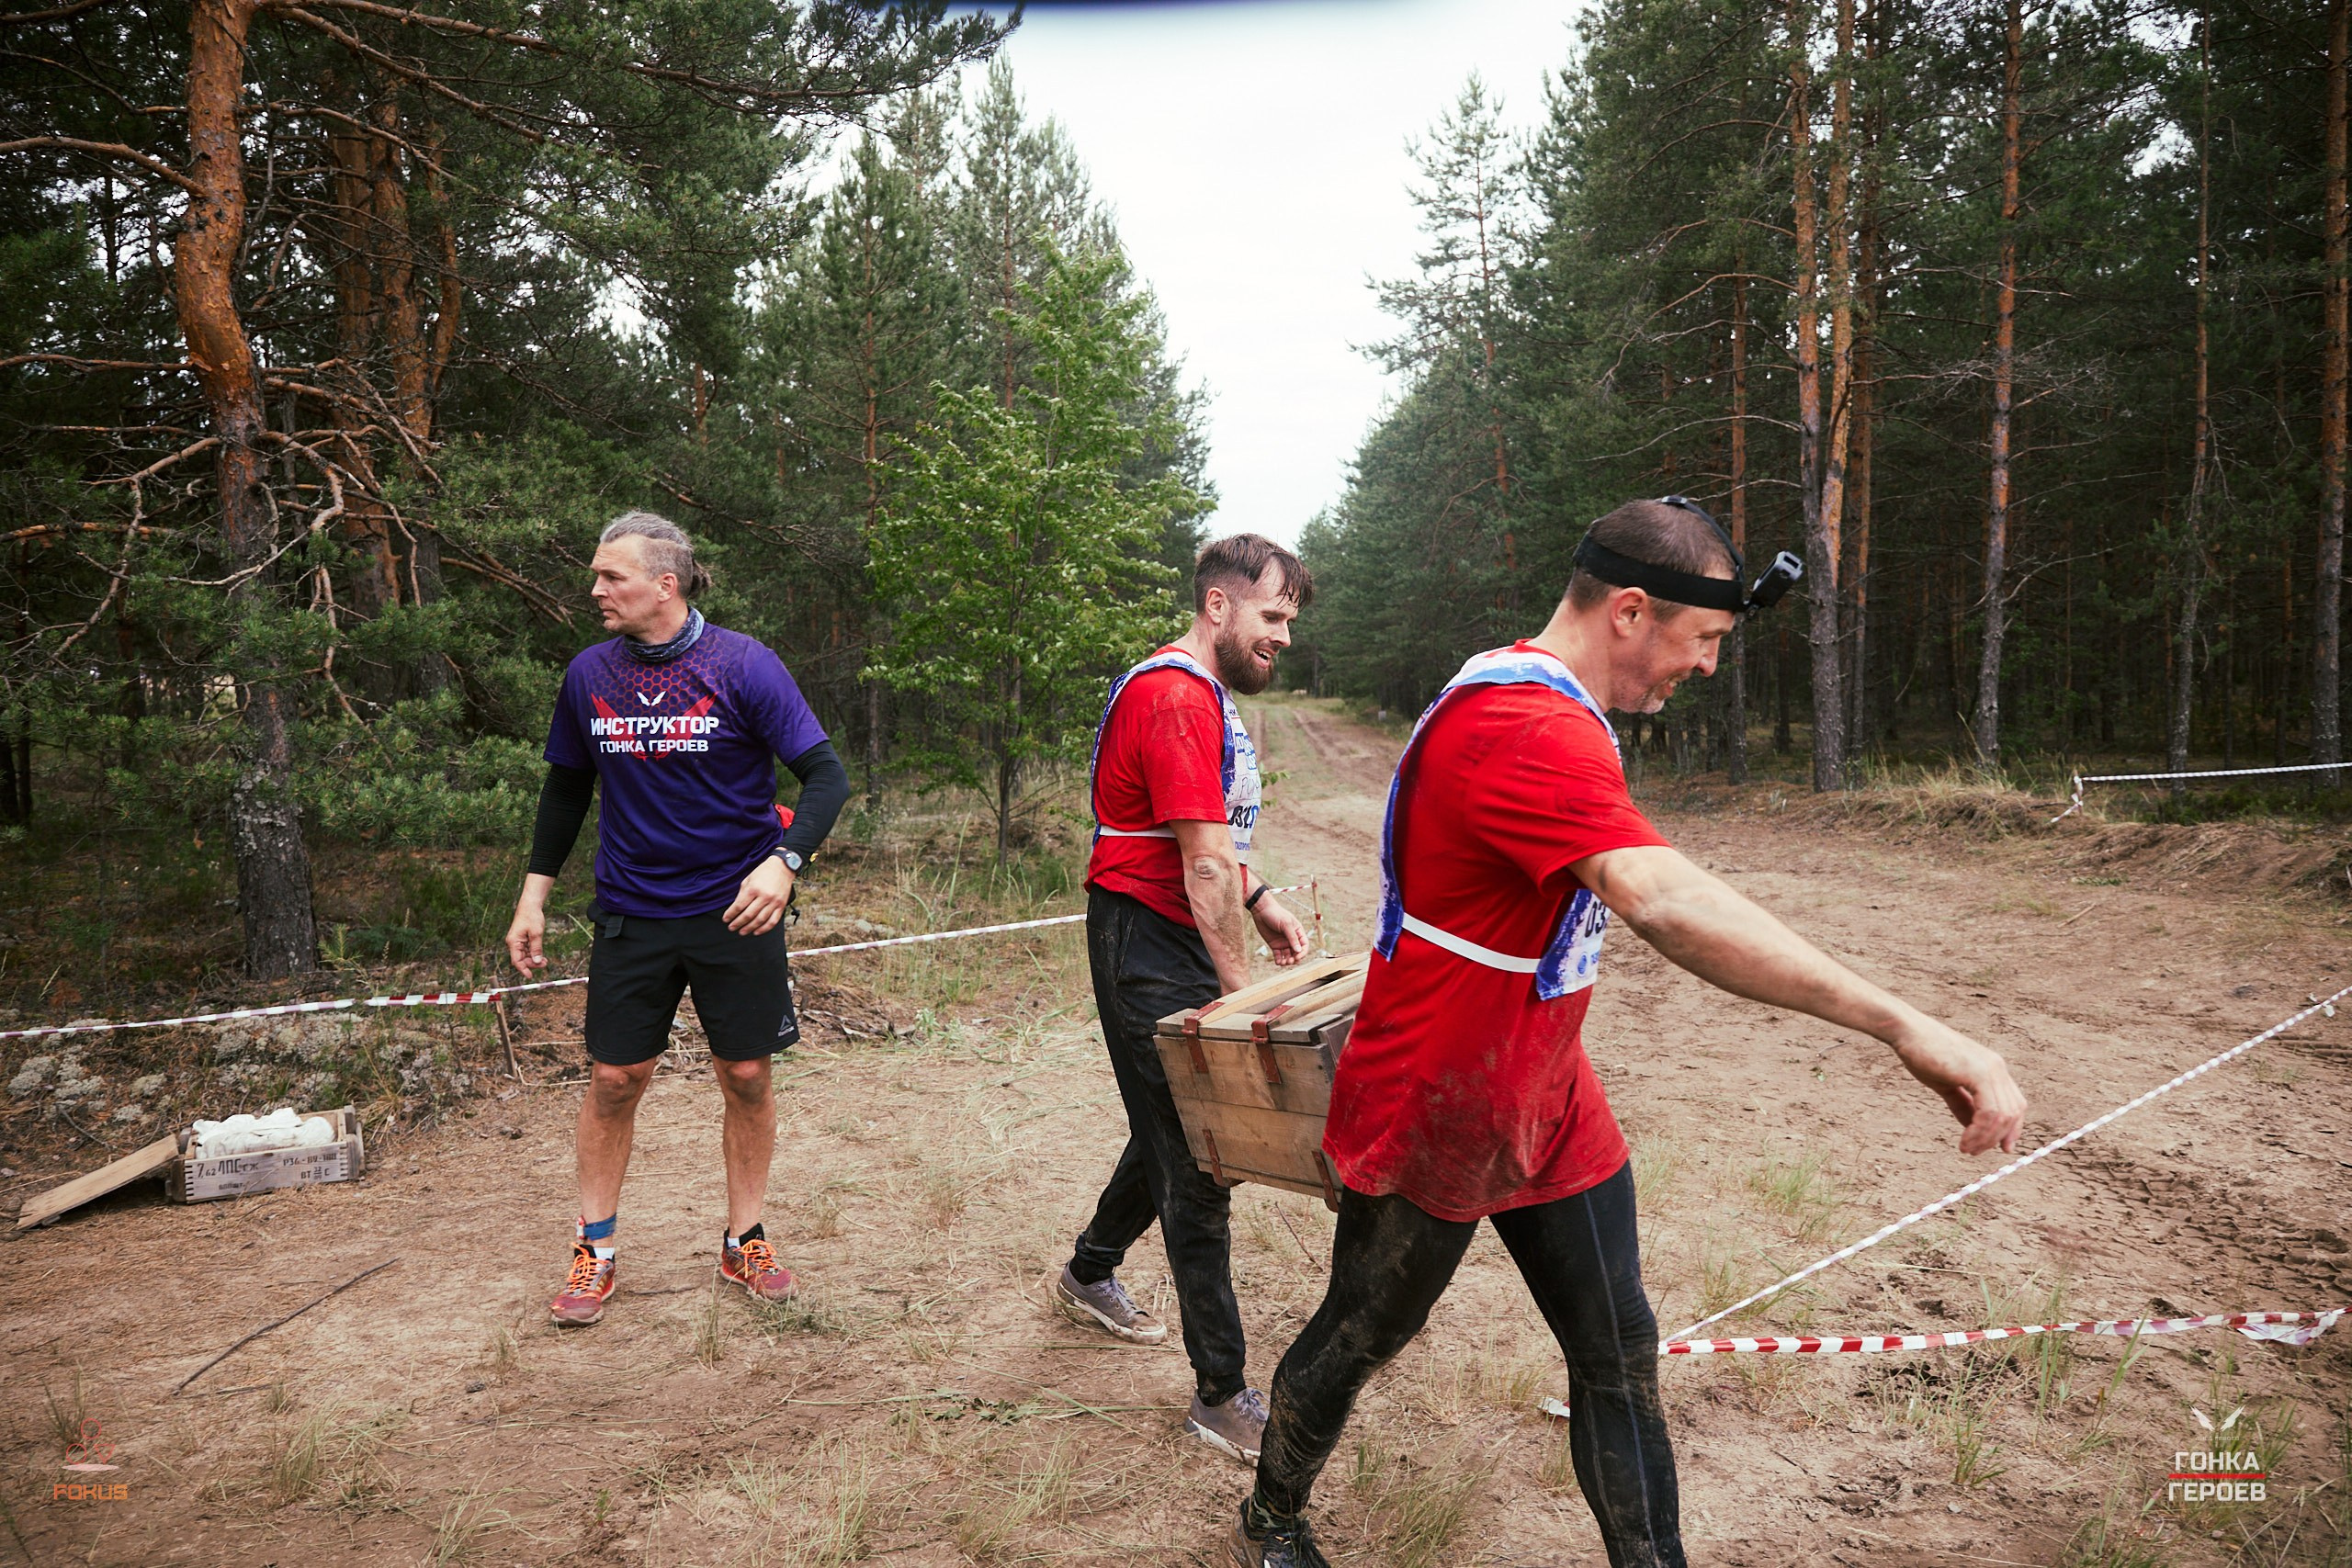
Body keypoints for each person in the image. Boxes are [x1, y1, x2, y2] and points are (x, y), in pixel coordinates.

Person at [1225, 498, 2029, 1568]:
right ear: (1633, 611)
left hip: (1547, 1090)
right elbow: (1665, 901)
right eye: (1702, 643)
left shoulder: (1541, 696)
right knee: (1366, 1330)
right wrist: (1905, 1027)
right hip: (1438, 1094)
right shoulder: (1524, 725)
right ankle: (1270, 1519)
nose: (1705, 669)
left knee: (1618, 1352)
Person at [503, 511, 853, 1327]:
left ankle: (745, 1237)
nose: (594, 590)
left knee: (747, 1075)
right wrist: (534, 895)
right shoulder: (590, 673)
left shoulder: (742, 664)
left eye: (609, 577)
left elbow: (826, 776)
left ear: (665, 583)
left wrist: (785, 860)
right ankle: (595, 1248)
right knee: (616, 1080)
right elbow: (564, 789)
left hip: (737, 910)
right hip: (632, 909)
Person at [1051, 534, 1317, 1464]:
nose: (1281, 637)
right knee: (1197, 1161)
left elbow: (1208, 835)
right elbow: (1197, 858)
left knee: (1172, 1124)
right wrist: (1244, 1004)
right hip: (1143, 941)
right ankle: (1219, 1394)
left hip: (1173, 929)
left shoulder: (1198, 695)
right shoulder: (1172, 695)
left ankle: (1088, 1272)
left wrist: (1262, 898)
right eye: (1272, 615)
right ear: (1218, 606)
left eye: (1289, 620)